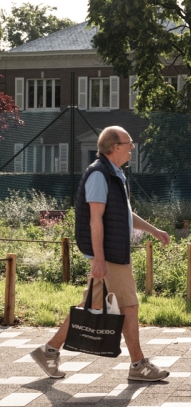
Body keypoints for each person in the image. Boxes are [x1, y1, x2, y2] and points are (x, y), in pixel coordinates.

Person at [30, 126, 171, 381]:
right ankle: (138, 365)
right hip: (108, 255)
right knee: (129, 306)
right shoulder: (99, 174)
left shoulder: (115, 174)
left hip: (113, 252)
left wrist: (154, 230)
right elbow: (95, 219)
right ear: (115, 147)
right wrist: (97, 259)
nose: (132, 147)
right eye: (129, 143)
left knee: (91, 305)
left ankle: (49, 351)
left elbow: (123, 215)